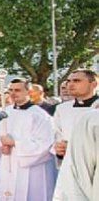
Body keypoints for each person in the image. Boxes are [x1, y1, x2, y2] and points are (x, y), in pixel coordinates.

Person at [0, 78, 57, 201]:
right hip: (8, 164)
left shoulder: (40, 116)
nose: (13, 93)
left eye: (17, 90)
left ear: (28, 92)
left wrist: (14, 143)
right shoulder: (5, 112)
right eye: (10, 90)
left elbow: (45, 145)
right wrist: (0, 146)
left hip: (31, 169)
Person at [52, 69, 98, 200]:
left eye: (77, 81)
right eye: (68, 81)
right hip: (69, 167)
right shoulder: (62, 109)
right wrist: (58, 149)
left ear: (93, 84)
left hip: (93, 169)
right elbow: (56, 135)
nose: (70, 84)